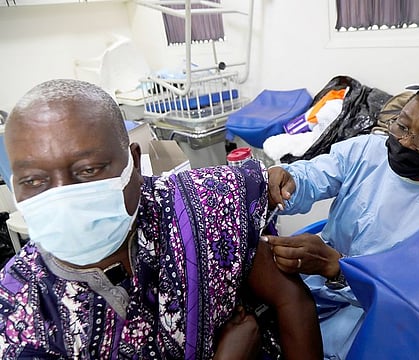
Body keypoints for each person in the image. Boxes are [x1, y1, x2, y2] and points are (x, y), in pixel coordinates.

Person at [0, 79, 323, 359]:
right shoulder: (21, 306)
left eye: (88, 170)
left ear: (134, 162)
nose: (63, 197)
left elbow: (289, 300)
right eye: (34, 180)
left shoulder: (205, 204)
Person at [263, 54, 419, 359]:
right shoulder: (367, 150)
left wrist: (339, 270)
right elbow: (314, 175)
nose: (405, 142)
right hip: (310, 283)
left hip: (371, 320)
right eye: (401, 125)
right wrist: (288, 179)